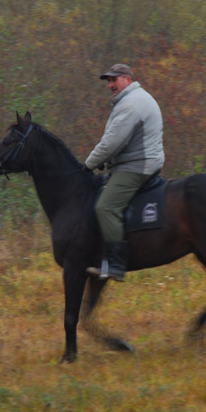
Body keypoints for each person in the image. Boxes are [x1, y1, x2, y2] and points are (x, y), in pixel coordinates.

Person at [84, 63, 165, 281]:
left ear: (128, 79)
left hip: (137, 166)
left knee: (105, 207)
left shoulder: (131, 104)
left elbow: (111, 143)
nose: (110, 85)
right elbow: (121, 143)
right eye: (108, 81)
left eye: (114, 80)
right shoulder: (133, 99)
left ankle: (116, 265)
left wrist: (88, 165)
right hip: (137, 161)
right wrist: (107, 160)